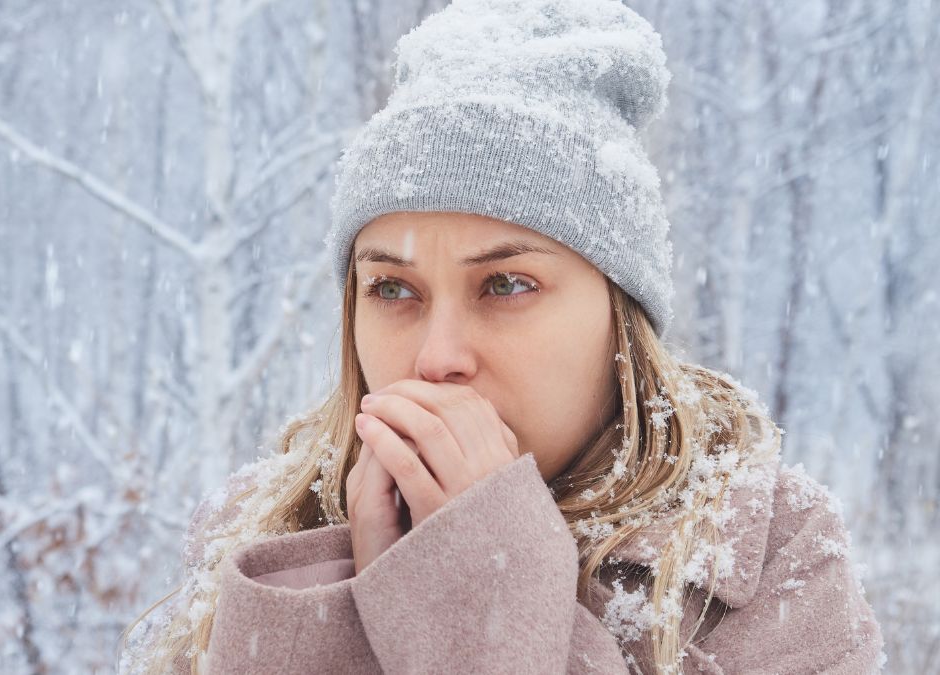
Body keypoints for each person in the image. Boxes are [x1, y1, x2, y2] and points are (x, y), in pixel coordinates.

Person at [120, 0, 885, 673]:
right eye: (392, 288)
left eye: (507, 284)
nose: (437, 356)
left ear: (620, 316)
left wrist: (490, 593)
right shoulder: (254, 539)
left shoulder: (766, 554)